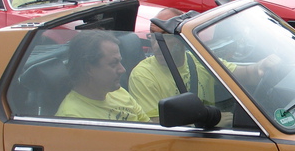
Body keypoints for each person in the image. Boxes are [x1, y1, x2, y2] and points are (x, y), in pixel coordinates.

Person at [129, 8, 279, 121]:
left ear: (181, 39)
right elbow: (156, 125)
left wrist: (261, 66)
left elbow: (245, 75)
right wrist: (211, 120)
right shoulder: (143, 75)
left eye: (164, 37)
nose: (156, 45)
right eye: (153, 37)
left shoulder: (198, 60)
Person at [56, 31, 149, 122]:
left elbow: (149, 127)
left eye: (120, 62)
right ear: (88, 69)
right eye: (113, 64)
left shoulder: (118, 92)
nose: (122, 70)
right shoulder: (72, 118)